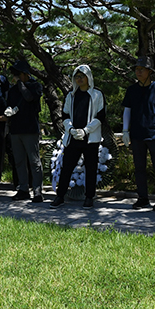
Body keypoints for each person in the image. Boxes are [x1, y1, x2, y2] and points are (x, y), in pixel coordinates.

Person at [50, 65, 104, 209]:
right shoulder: (71, 95)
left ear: (89, 77)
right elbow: (65, 114)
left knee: (91, 168)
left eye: (82, 76)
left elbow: (100, 116)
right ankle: (60, 196)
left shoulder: (97, 94)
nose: (79, 79)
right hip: (73, 137)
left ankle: (89, 197)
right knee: (67, 167)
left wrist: (86, 131)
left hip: (90, 138)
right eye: (77, 77)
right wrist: (71, 129)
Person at [121, 56, 155, 211]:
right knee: (139, 167)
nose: (138, 72)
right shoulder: (132, 90)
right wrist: (125, 130)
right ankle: (142, 198)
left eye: (141, 69)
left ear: (149, 71)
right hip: (137, 134)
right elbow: (127, 110)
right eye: (136, 69)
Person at [5, 59, 43, 202]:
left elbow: (29, 97)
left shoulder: (36, 86)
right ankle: (23, 189)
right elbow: (9, 104)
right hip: (16, 129)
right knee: (19, 161)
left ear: (25, 73)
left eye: (18, 74)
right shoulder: (13, 90)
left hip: (30, 128)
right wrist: (9, 110)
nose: (15, 77)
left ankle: (37, 190)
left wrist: (20, 83)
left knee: (34, 161)